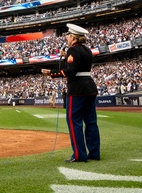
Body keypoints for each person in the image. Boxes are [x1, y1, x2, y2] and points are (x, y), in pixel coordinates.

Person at [42, 23, 100, 163]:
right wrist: (66, 54)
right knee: (91, 122)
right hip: (89, 87)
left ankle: (79, 155)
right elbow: (78, 62)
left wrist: (52, 73)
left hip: (77, 89)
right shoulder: (87, 50)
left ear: (73, 38)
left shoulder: (72, 51)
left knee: (74, 122)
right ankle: (94, 153)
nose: (67, 38)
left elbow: (71, 71)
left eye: (68, 35)